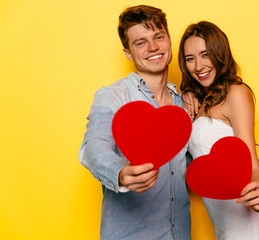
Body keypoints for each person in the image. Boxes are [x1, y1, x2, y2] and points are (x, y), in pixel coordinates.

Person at [79, 5, 190, 240]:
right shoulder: (112, 96)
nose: (153, 47)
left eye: (158, 37)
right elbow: (93, 147)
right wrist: (120, 173)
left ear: (169, 40)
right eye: (140, 43)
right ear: (128, 52)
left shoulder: (185, 103)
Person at [179, 21, 259, 239]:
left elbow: (250, 162)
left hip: (250, 218)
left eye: (205, 54)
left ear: (220, 53)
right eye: (190, 59)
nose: (198, 66)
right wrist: (185, 93)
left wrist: (258, 194)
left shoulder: (236, 93)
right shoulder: (198, 101)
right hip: (223, 223)